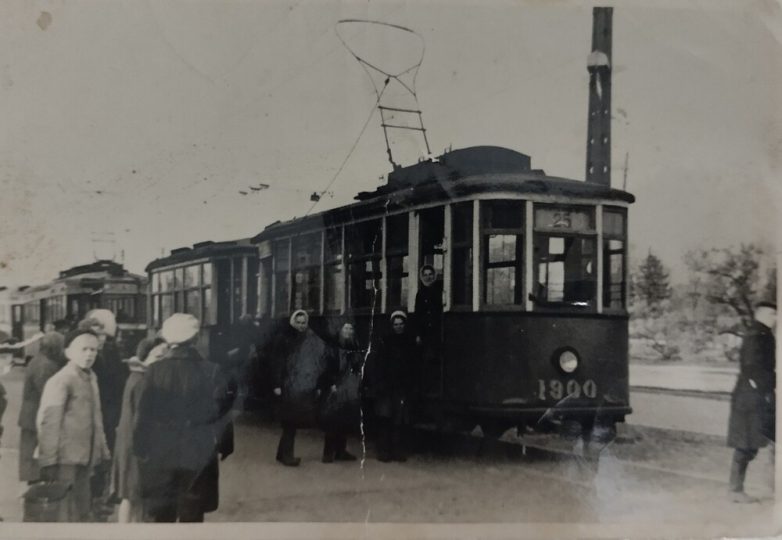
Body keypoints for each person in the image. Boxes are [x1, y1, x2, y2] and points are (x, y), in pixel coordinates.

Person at [133, 313, 234, 522]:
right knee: (193, 512)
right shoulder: (212, 371)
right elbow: (222, 413)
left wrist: (140, 447)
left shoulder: (153, 371)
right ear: (195, 339)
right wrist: (225, 445)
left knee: (162, 514)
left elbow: (143, 414)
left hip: (159, 451)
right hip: (198, 450)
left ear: (168, 340)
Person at [36, 329, 111, 522]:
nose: (89, 354)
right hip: (65, 458)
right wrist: (48, 459)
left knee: (81, 508)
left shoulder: (91, 377)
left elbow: (97, 418)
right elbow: (48, 423)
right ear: (68, 352)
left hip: (85, 457)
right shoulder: (62, 380)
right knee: (64, 510)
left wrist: (102, 451)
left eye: (93, 349)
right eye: (84, 349)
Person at [111, 336, 169, 523]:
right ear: (146, 356)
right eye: (158, 356)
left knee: (130, 496)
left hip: (129, 443)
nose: (163, 360)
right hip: (138, 447)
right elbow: (141, 421)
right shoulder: (144, 382)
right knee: (134, 496)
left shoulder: (136, 376)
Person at [79, 309, 129, 512]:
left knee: (105, 452)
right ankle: (95, 497)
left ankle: (100, 494)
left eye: (102, 335)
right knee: (97, 456)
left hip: (108, 412)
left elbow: (116, 380)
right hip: (97, 413)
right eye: (96, 335)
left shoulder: (108, 352)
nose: (100, 339)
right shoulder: (90, 358)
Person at [727, 301, 776, 503]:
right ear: (763, 314)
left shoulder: (761, 333)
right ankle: (735, 490)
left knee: (764, 441)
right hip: (751, 397)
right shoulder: (757, 335)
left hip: (756, 395)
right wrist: (768, 387)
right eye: (774, 314)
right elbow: (752, 367)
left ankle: (769, 486)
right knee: (746, 444)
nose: (777, 318)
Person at [271, 310, 329, 467]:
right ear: (293, 322)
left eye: (304, 323)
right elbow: (277, 363)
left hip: (300, 384)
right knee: (290, 421)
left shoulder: (308, 339)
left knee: (292, 420)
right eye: (299, 322)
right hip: (287, 383)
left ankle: (282, 453)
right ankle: (287, 456)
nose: (302, 325)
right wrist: (277, 384)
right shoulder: (284, 339)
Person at [369, 311, 417, 462]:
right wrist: (379, 384)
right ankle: (383, 451)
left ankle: (397, 451)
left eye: (401, 324)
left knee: (399, 420)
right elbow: (379, 364)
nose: (398, 327)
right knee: (385, 418)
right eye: (396, 325)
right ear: (392, 326)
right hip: (386, 387)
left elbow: (413, 365)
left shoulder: (409, 342)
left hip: (401, 387)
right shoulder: (385, 341)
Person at [18, 331, 66, 484]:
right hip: (37, 415)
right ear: (54, 348)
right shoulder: (46, 365)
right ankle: (35, 486)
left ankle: (32, 482)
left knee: (30, 452)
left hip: (30, 414)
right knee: (36, 453)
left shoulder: (37, 360)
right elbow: (48, 393)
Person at [319, 321, 363, 463]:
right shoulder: (332, 347)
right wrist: (331, 383)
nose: (348, 331)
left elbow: (357, 366)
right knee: (333, 419)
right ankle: (328, 453)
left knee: (345, 419)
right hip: (335, 386)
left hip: (348, 387)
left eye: (351, 328)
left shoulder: (354, 346)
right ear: (341, 330)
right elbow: (325, 366)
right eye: (346, 328)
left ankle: (341, 451)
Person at [414, 264, 443, 397]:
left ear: (434, 275)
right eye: (425, 275)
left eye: (430, 274)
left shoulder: (440, 290)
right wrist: (418, 334)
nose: (428, 277)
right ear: (422, 277)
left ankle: (435, 389)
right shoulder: (420, 294)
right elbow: (418, 314)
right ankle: (426, 390)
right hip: (425, 332)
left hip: (437, 330)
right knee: (426, 360)